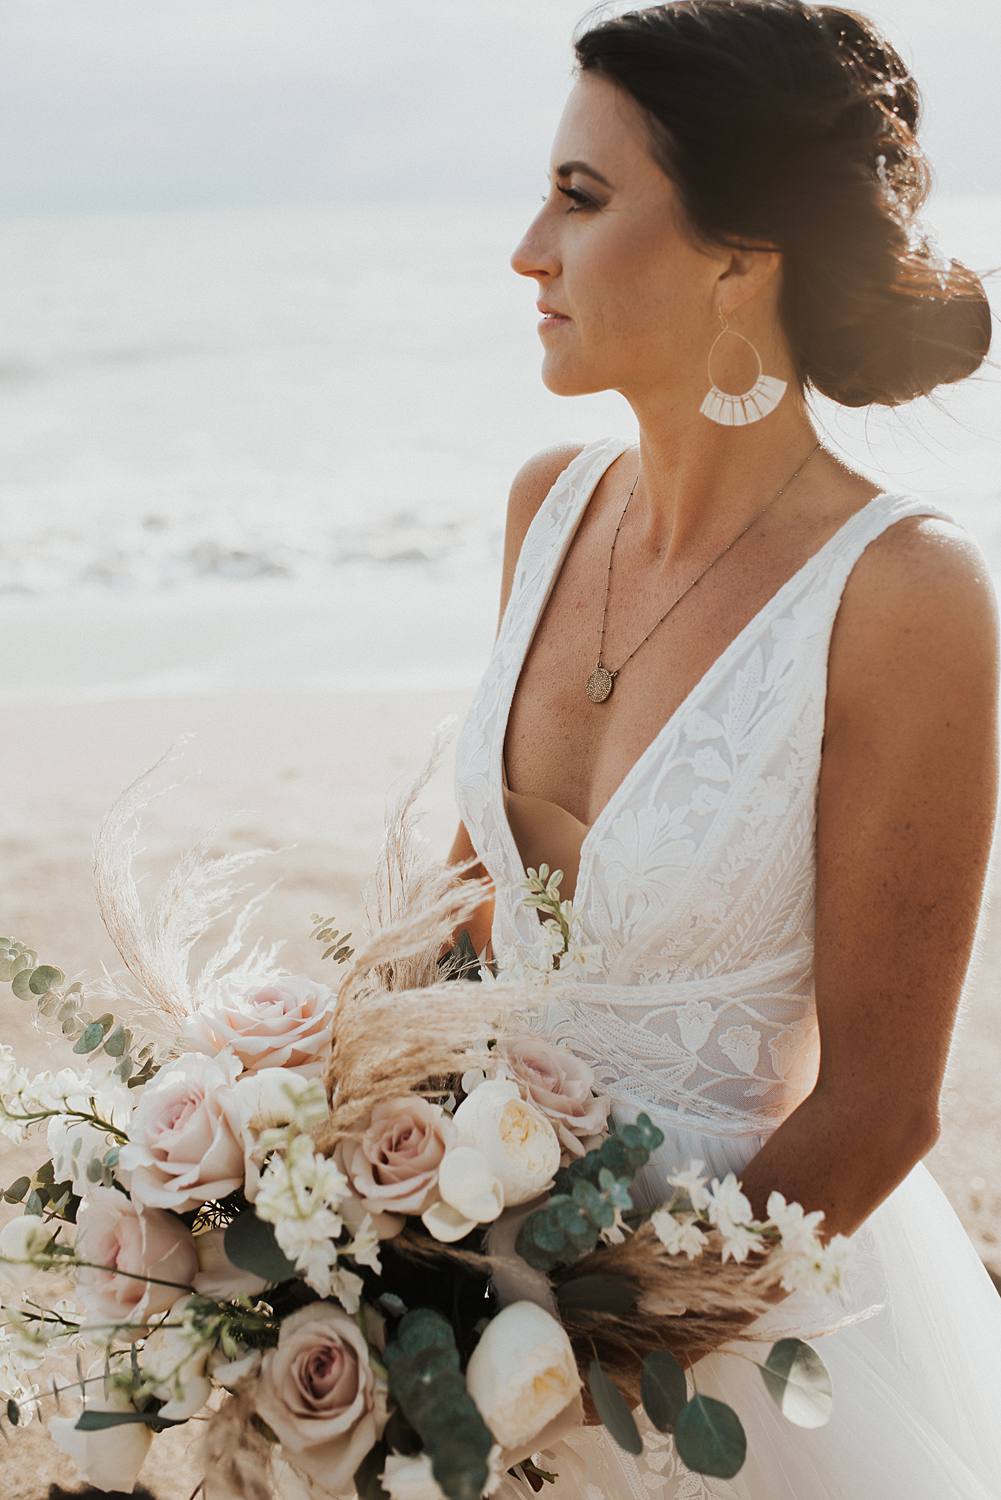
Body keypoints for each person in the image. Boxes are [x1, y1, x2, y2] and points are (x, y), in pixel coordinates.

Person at [445, 2, 1001, 1495]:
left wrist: (609, 1350)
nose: (526, 252)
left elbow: (879, 1107)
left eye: (580, 198)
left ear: (737, 257)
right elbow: (448, 941)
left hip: (724, 1333)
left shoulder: (907, 597)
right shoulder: (545, 508)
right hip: (455, 1286)